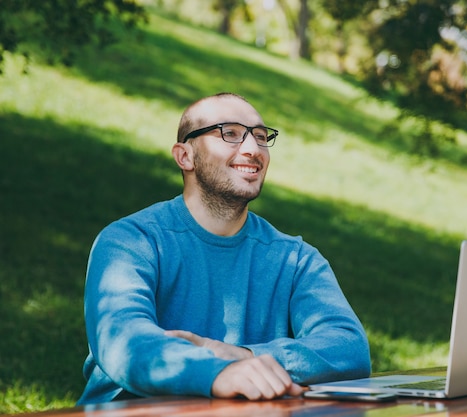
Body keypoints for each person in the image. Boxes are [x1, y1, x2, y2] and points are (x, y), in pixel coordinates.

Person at [77, 92, 371, 405]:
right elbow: (123, 341)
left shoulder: (295, 259)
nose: (252, 149)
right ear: (185, 156)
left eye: (260, 137)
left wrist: (242, 355)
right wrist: (216, 372)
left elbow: (349, 349)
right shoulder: (130, 241)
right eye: (229, 133)